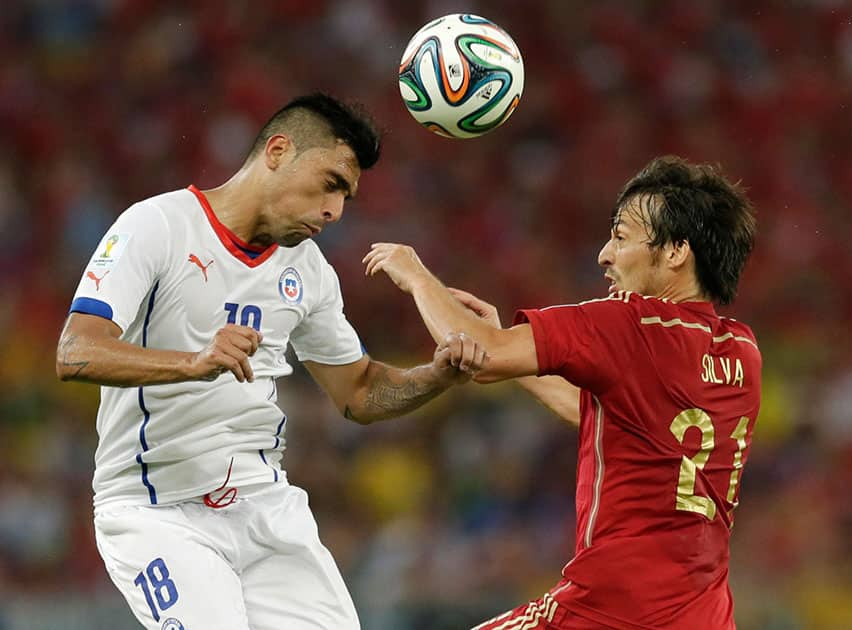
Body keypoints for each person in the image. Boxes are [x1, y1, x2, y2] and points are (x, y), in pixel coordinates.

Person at [56, 92, 488, 630]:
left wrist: (438, 375)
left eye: (347, 197)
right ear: (279, 151)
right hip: (157, 509)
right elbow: (74, 351)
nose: (335, 211)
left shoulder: (308, 271)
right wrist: (190, 363)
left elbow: (358, 393)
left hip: (264, 505)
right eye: (331, 184)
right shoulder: (158, 225)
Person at [364, 155, 760, 629]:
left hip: (611, 611)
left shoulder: (630, 324)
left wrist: (414, 275)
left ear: (676, 250)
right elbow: (613, 418)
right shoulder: (741, 350)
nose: (604, 255)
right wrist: (520, 365)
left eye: (620, 235)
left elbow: (478, 354)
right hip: (704, 617)